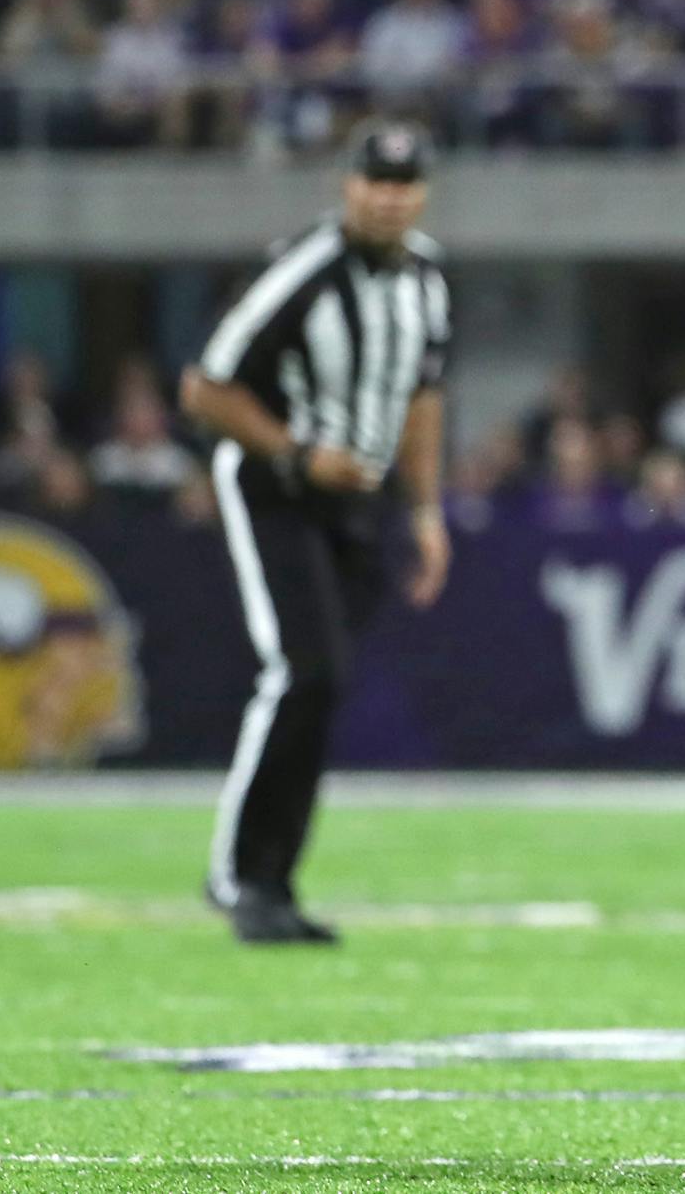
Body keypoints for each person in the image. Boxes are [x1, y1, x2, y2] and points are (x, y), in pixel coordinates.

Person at [179, 119, 453, 944]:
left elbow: (424, 397)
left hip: (356, 502)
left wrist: (428, 509)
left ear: (423, 193)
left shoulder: (428, 279)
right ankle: (239, 877)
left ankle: (274, 881)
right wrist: (297, 452)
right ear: (348, 185)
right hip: (277, 488)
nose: (388, 197)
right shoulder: (302, 271)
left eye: (404, 183)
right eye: (375, 180)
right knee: (304, 670)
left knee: (320, 684)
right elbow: (205, 388)